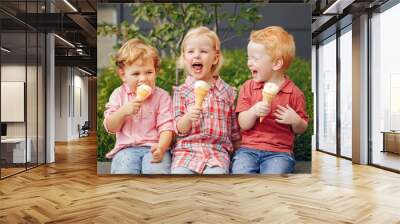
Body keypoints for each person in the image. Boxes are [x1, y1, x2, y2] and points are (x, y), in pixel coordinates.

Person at [231, 26, 309, 174]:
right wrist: (253, 111)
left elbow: (302, 128)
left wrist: (295, 120)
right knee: (240, 171)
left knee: (275, 175)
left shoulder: (294, 93)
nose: (249, 63)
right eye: (248, 57)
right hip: (248, 150)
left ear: (276, 63)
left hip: (279, 152)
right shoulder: (248, 88)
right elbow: (243, 124)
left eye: (255, 58)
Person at [172, 26, 241, 174]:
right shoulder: (181, 92)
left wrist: (239, 156)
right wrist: (188, 117)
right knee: (179, 178)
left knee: (215, 180)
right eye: (191, 52)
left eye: (203, 51)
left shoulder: (227, 92)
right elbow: (178, 129)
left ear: (215, 58)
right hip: (187, 152)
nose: (196, 56)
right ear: (184, 58)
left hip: (217, 153)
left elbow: (234, 131)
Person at [104, 38, 174, 174]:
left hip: (154, 147)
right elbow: (111, 127)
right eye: (136, 73)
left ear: (156, 71)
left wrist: (161, 148)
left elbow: (167, 127)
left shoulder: (162, 97)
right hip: (126, 149)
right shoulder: (118, 94)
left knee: (157, 171)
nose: (143, 78)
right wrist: (123, 111)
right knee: (124, 171)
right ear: (123, 75)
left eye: (149, 72)